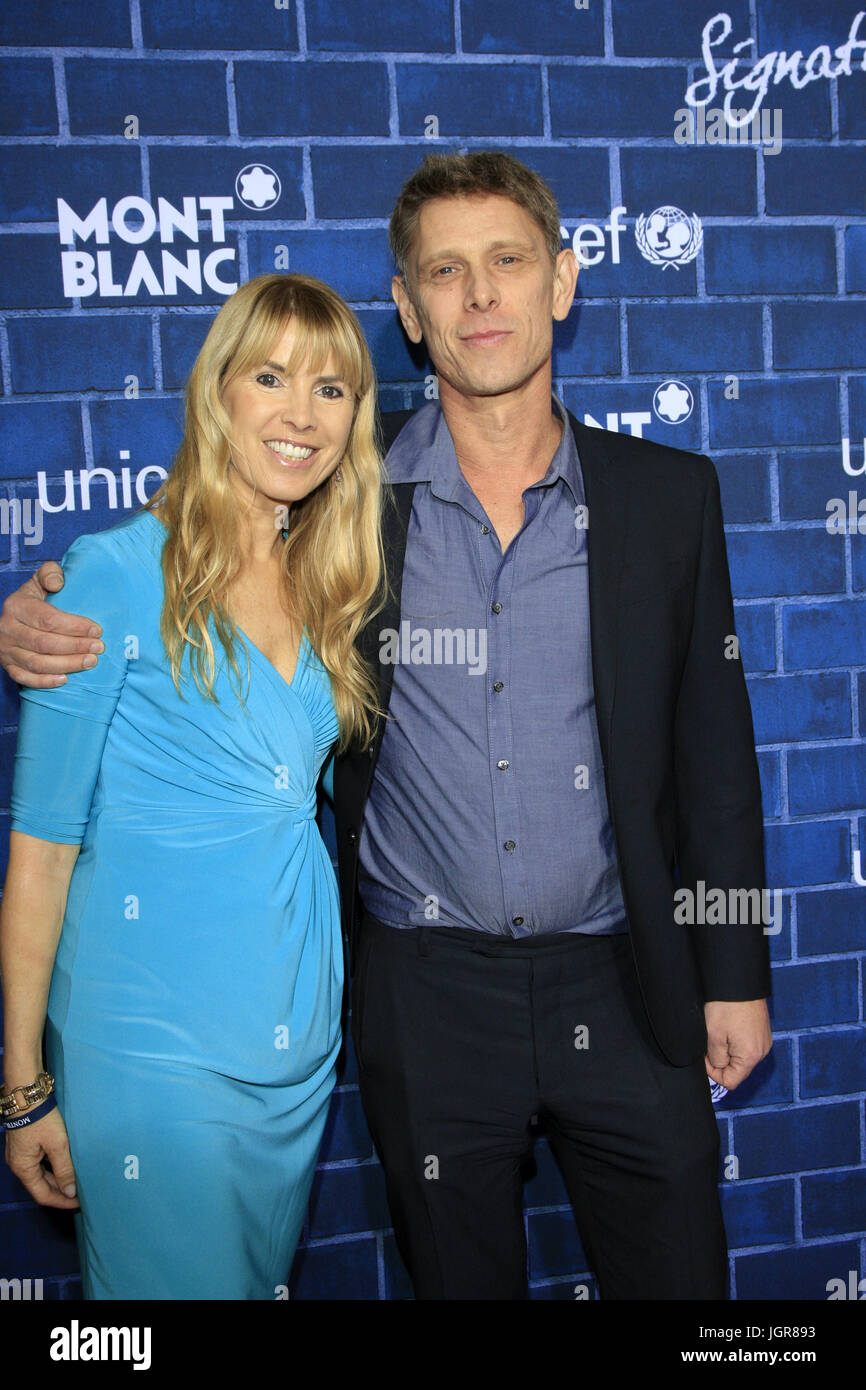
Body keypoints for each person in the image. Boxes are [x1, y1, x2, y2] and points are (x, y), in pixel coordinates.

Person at [0, 152, 773, 1301]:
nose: (478, 296)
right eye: (443, 272)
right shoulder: (342, 511)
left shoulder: (668, 498)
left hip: (627, 987)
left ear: (560, 281)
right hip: (423, 998)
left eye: (506, 262)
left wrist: (734, 970)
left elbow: (712, 752)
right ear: (407, 312)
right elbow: (178, 559)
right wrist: (38, 607)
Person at [0, 272, 385, 1299]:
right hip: (151, 1045)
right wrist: (21, 1086)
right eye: (270, 377)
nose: (301, 414)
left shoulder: (333, 581)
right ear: (218, 391)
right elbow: (39, 852)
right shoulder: (115, 575)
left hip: (294, 1045)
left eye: (333, 388)